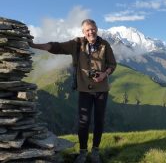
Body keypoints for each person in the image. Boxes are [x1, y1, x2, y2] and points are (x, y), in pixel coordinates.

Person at [30, 19, 116, 163]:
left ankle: (95, 152)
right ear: (83, 32)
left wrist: (104, 74)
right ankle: (83, 152)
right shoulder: (76, 44)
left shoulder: (104, 45)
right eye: (87, 30)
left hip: (101, 90)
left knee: (99, 121)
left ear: (97, 29)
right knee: (83, 121)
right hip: (84, 90)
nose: (91, 32)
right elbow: (56, 47)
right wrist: (34, 45)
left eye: (93, 29)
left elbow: (112, 64)